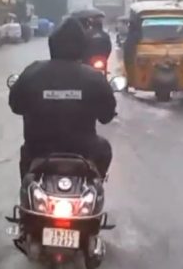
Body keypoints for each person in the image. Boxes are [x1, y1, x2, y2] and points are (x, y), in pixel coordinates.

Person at [9, 17, 117, 181]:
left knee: (26, 161)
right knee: (105, 149)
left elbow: (16, 106)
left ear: (52, 45)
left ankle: (27, 194)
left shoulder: (33, 72)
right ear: (82, 47)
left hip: (38, 150)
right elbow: (107, 116)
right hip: (85, 150)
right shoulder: (94, 77)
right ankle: (96, 184)